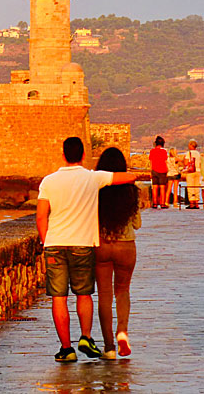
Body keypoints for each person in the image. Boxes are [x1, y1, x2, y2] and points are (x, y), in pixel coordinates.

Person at [36, 137, 137, 363]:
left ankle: (66, 348)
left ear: (63, 155)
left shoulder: (48, 181)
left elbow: (41, 215)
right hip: (83, 243)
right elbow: (131, 177)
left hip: (55, 244)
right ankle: (87, 337)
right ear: (83, 155)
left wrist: (45, 241)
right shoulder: (93, 178)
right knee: (84, 293)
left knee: (59, 297)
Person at [95, 147, 141, 359]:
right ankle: (122, 331)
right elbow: (137, 224)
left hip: (102, 245)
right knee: (122, 291)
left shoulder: (96, 190)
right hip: (126, 246)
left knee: (104, 295)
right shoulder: (132, 190)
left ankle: (109, 347)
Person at [148, 136, 168, 208]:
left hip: (154, 170)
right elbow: (165, 161)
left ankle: (155, 203)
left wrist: (150, 171)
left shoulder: (152, 151)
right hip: (162, 170)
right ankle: (162, 203)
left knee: (155, 187)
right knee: (162, 187)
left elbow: (151, 162)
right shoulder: (164, 151)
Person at [183, 140, 201, 209]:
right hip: (198, 171)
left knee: (190, 187)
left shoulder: (189, 153)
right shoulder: (198, 153)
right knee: (196, 187)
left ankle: (191, 203)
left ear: (191, 145)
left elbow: (186, 163)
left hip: (191, 171)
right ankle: (197, 203)